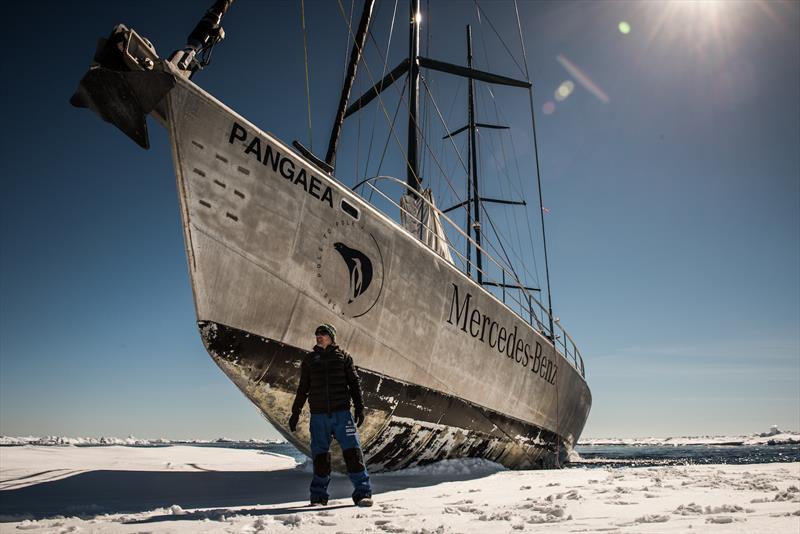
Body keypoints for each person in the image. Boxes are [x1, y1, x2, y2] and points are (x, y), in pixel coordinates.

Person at [289, 323, 373, 507]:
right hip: (319, 416)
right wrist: (295, 412)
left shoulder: (344, 357)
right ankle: (318, 497)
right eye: (317, 333)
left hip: (342, 414)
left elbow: (354, 384)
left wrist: (359, 408)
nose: (319, 336)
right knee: (320, 457)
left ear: (331, 337)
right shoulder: (310, 359)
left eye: (323, 333)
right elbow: (303, 388)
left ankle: (363, 493)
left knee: (353, 454)